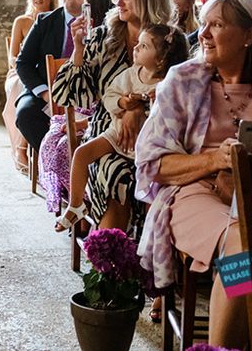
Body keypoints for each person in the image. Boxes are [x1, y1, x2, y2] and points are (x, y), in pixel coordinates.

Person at [136, 0, 252, 349]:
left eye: (216, 25)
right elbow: (153, 162)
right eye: (204, 24)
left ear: (249, 35)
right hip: (197, 192)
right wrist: (215, 160)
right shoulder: (182, 80)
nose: (202, 33)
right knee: (245, 246)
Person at [53, 0, 171, 231]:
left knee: (172, 176)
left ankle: (156, 257)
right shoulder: (102, 39)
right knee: (119, 173)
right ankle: (111, 259)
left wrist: (138, 108)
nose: (118, 2)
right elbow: (69, 95)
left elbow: (182, 93)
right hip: (108, 134)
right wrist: (79, 49)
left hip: (158, 135)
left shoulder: (169, 41)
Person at [55, 23, 189, 231]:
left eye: (144, 46)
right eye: (139, 43)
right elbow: (109, 95)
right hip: (115, 133)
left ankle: (149, 232)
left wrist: (150, 103)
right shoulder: (131, 74)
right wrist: (122, 104)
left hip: (148, 145)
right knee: (82, 154)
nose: (136, 48)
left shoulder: (170, 83)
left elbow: (172, 115)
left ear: (161, 58)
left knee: (149, 187)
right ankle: (76, 205)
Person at [38, 0, 111, 213]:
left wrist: (81, 122)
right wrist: (78, 49)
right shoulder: (88, 41)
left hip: (101, 119)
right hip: (88, 110)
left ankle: (82, 204)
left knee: (64, 145)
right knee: (52, 137)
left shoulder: (108, 45)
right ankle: (73, 200)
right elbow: (66, 93)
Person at [15, 0, 93, 152]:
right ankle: (52, 165)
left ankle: (78, 165)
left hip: (85, 94)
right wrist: (45, 93)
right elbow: (23, 62)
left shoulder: (96, 24)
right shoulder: (45, 21)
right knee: (26, 115)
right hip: (46, 90)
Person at [3, 0, 60, 174]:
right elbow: (13, 56)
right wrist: (19, 66)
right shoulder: (22, 21)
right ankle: (21, 148)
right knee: (21, 84)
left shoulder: (57, 21)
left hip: (46, 74)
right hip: (22, 73)